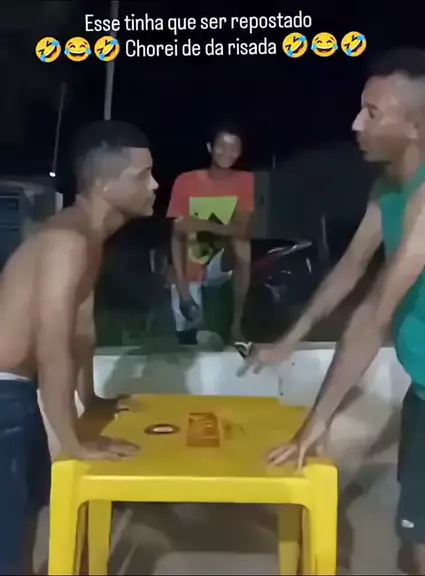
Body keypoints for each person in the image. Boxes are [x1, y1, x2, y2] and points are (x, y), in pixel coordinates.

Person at [243, 48, 425, 573]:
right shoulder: (386, 189)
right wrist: (291, 338)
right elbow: (349, 269)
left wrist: (316, 421)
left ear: (414, 127)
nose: (355, 124)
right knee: (416, 538)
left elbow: (374, 313)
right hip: (423, 388)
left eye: (372, 112)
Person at [0, 120, 157, 575]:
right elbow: (52, 345)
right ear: (105, 185)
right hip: (4, 395)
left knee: (26, 520)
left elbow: (81, 332)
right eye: (142, 176)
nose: (154, 185)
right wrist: (74, 444)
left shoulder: (89, 239)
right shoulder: (67, 241)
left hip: (14, 391)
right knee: (8, 539)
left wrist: (91, 402)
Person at [167, 122, 254, 345]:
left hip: (220, 261)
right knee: (189, 333)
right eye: (221, 146)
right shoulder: (186, 181)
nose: (227, 153)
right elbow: (176, 236)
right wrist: (183, 291)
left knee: (242, 245)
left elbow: (240, 229)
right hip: (192, 259)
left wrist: (201, 224)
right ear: (209, 147)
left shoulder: (244, 181)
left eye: (234, 148)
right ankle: (192, 327)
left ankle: (236, 326)